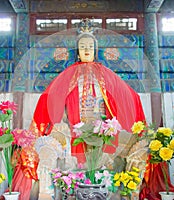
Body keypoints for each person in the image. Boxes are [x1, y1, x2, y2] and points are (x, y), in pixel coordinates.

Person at [12, 19, 146, 199]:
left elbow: (130, 97)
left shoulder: (107, 75)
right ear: (77, 51)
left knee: (138, 147)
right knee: (48, 147)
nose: (87, 49)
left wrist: (116, 123)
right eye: (82, 46)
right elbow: (49, 98)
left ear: (96, 49)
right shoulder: (68, 75)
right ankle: (48, 194)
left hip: (103, 131)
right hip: (74, 131)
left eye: (90, 45)